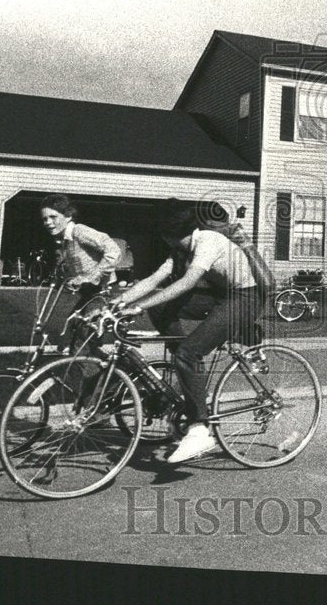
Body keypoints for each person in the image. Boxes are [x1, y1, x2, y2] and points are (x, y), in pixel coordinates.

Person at [114, 198, 265, 464]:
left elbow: (187, 283)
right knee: (161, 312)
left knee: (187, 353)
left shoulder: (206, 241)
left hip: (245, 299)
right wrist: (119, 302)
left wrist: (137, 308)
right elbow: (153, 280)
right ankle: (187, 369)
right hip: (220, 297)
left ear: (168, 234)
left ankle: (200, 429)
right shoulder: (181, 249)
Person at [40, 194, 121, 305]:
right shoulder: (65, 240)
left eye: (53, 217)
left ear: (68, 216)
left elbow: (113, 250)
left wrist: (93, 277)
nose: (48, 223)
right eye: (45, 219)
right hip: (88, 293)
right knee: (72, 321)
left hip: (104, 292)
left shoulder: (79, 231)